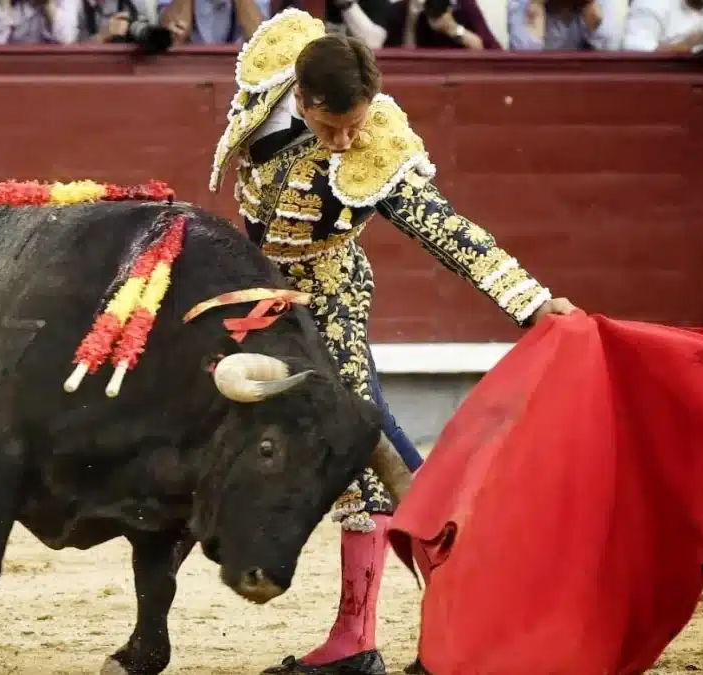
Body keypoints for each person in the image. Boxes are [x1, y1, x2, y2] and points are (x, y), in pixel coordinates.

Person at [207, 8, 577, 674]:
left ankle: (360, 640)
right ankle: (475, 600)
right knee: (388, 456)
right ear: (301, 96)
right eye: (333, 126)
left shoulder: (377, 146)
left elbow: (447, 230)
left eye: (357, 124)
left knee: (359, 461)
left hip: (332, 299)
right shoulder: (275, 75)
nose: (348, 141)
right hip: (269, 301)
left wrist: (530, 301)